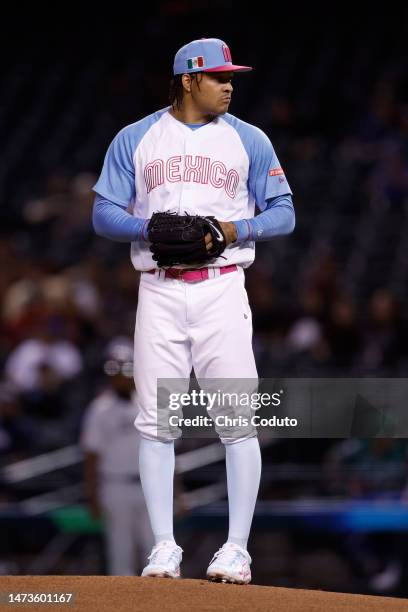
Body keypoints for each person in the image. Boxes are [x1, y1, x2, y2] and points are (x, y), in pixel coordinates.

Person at [92, 37, 295, 583]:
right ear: (188, 79)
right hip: (158, 290)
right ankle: (164, 547)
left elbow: (284, 212)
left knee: (238, 421)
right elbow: (103, 212)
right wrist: (147, 228)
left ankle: (236, 548)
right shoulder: (137, 137)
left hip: (223, 288)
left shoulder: (249, 140)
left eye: (232, 77)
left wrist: (235, 228)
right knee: (156, 424)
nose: (230, 85)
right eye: (219, 77)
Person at [80, 336, 153, 575]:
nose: (122, 375)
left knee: (155, 548)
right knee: (120, 551)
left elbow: (166, 448)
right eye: (115, 370)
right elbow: (91, 455)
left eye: (126, 369)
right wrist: (92, 495)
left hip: (148, 484)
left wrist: (177, 491)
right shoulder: (99, 409)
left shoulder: (148, 402)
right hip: (115, 485)